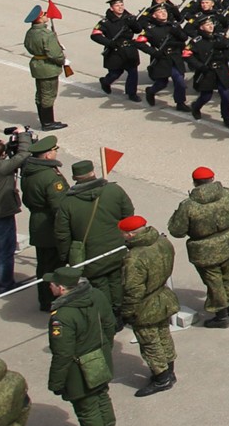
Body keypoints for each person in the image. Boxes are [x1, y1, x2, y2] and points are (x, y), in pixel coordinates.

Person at [44, 265, 116, 426]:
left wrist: (56, 382)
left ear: (63, 289)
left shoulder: (62, 316)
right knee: (102, 398)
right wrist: (105, 350)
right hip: (100, 358)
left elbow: (63, 354)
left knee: (86, 408)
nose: (50, 286)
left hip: (79, 369)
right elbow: (109, 323)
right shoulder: (95, 294)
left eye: (53, 284)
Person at [52, 160, 134, 318]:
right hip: (117, 248)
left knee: (99, 285)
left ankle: (109, 316)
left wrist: (65, 256)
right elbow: (128, 214)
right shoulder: (114, 190)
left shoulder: (67, 203)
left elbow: (62, 234)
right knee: (117, 280)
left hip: (90, 256)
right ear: (93, 173)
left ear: (75, 177)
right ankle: (119, 312)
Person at [166, 167, 229, 329]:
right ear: (212, 179)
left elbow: (177, 231)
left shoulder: (188, 206)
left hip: (203, 250)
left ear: (195, 182)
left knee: (213, 281)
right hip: (227, 243)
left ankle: (221, 316)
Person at [116, 214, 179, 397]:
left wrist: (126, 313)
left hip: (145, 306)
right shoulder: (162, 242)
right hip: (163, 296)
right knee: (163, 334)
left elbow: (133, 290)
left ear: (130, 235)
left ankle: (162, 379)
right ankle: (169, 371)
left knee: (150, 343)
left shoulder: (134, 258)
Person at [0, 130, 32, 293]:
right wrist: (23, 136)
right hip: (0, 216)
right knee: (4, 251)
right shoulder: (2, 167)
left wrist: (4, 146)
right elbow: (24, 154)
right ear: (2, 155)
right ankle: (5, 284)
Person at [19, 136, 66, 313]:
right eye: (54, 150)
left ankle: (45, 299)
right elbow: (59, 207)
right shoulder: (49, 177)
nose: (56, 153)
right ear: (47, 155)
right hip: (49, 227)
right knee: (53, 266)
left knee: (44, 264)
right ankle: (51, 300)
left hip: (38, 223)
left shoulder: (30, 171)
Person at [21, 5, 69, 132]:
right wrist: (62, 60)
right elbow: (54, 54)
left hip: (37, 65)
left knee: (40, 94)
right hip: (48, 67)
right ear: (39, 19)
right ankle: (48, 123)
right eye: (44, 14)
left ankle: (45, 120)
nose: (46, 15)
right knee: (48, 95)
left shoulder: (30, 32)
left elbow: (27, 45)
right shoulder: (47, 34)